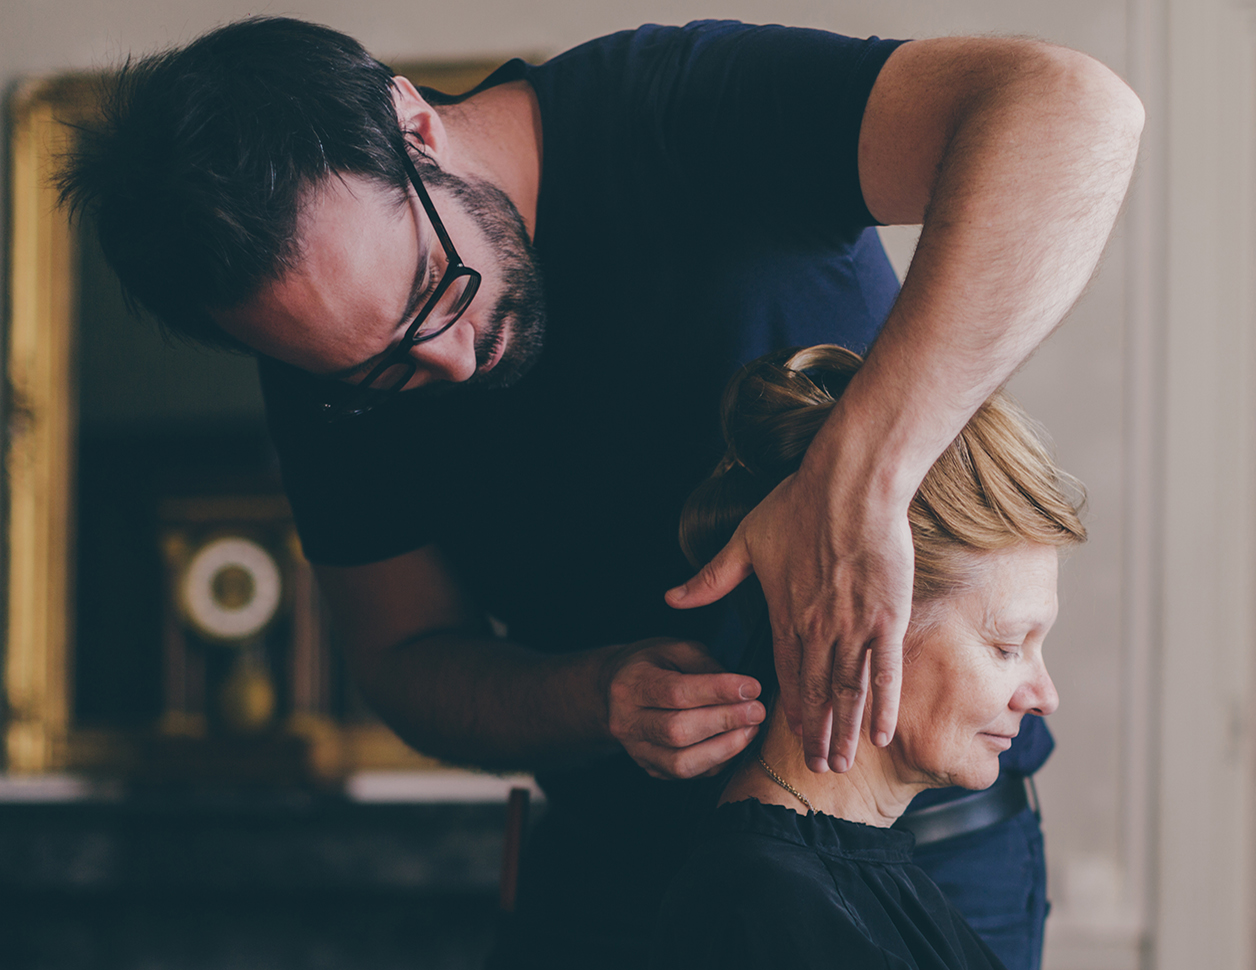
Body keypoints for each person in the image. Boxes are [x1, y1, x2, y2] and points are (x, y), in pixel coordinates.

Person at [57, 15, 1140, 969]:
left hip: (921, 843)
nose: (448, 363)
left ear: (412, 125)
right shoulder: (325, 371)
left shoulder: (676, 111)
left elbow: (1073, 113)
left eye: (434, 289)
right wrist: (595, 695)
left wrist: (860, 476)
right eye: (380, 368)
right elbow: (403, 658)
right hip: (613, 861)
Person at [651, 344, 1084, 969]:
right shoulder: (767, 911)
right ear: (856, 620)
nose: (1045, 696)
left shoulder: (830, 886)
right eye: (1007, 647)